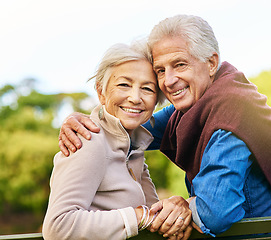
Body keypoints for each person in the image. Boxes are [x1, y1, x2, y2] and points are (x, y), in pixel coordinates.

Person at [58, 14, 271, 237]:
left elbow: (216, 215)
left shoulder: (233, 115)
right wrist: (84, 121)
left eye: (180, 64)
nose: (168, 81)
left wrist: (185, 204)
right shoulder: (196, 107)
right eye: (160, 70)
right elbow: (131, 125)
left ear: (211, 63)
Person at [42, 40, 193, 240]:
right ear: (101, 92)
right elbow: (57, 227)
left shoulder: (135, 149)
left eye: (147, 89)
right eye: (124, 85)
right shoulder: (88, 141)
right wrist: (140, 216)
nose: (135, 98)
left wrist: (176, 212)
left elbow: (152, 217)